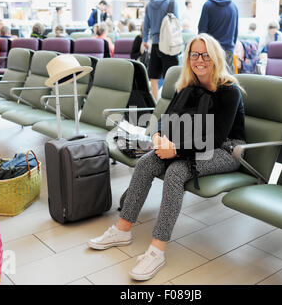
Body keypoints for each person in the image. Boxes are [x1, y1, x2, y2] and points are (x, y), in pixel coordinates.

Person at [89, 33, 246, 282]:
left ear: (215, 57)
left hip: (227, 150)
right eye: (194, 54)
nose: (199, 60)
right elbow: (166, 118)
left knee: (176, 171)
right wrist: (160, 137)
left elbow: (215, 139)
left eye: (205, 54)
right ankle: (123, 229)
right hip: (188, 142)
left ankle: (157, 249)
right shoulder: (186, 86)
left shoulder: (229, 91)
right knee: (146, 162)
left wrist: (176, 150)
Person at [142, 0, 180, 100]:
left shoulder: (149, 4)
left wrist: (144, 40)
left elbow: (146, 25)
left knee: (153, 76)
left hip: (155, 44)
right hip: (170, 45)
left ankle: (155, 103)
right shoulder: (172, 2)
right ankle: (171, 102)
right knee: (172, 76)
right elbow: (177, 25)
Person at [198, 0, 239, 73]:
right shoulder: (233, 6)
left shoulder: (208, 5)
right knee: (227, 80)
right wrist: (231, 47)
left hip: (211, 50)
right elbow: (235, 32)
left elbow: (202, 31)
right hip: (228, 49)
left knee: (210, 79)